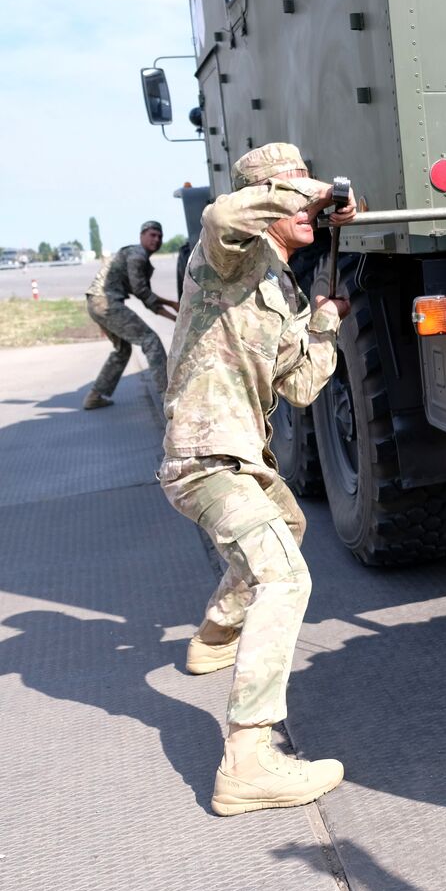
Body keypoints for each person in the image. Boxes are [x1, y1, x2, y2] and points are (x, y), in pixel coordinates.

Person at [158, 142, 356, 816]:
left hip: (242, 457)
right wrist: (319, 189)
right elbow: (220, 214)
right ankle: (247, 759)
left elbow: (298, 388)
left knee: (290, 527)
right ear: (269, 200)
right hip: (203, 456)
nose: (306, 203)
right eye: (291, 191)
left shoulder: (280, 282)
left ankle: (215, 634)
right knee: (283, 575)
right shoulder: (226, 254)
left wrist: (324, 325)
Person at [82, 221, 178, 410]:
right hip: (105, 303)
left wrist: (175, 317)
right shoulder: (137, 255)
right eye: (152, 235)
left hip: (96, 303)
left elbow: (148, 302)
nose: (156, 240)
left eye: (159, 236)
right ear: (142, 235)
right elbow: (141, 291)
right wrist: (172, 304)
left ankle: (94, 396)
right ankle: (167, 398)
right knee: (151, 341)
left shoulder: (139, 256)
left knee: (123, 350)